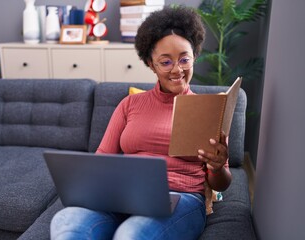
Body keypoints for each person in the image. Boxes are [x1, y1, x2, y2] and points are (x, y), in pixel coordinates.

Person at [50, 6, 231, 240]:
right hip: (123, 196)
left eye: (184, 59)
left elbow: (223, 182)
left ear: (194, 56)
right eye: (165, 62)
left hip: (182, 199)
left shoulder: (207, 110)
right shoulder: (130, 104)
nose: (177, 69)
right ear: (150, 64)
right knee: (68, 224)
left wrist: (217, 166)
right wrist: (89, 187)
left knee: (131, 234)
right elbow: (103, 157)